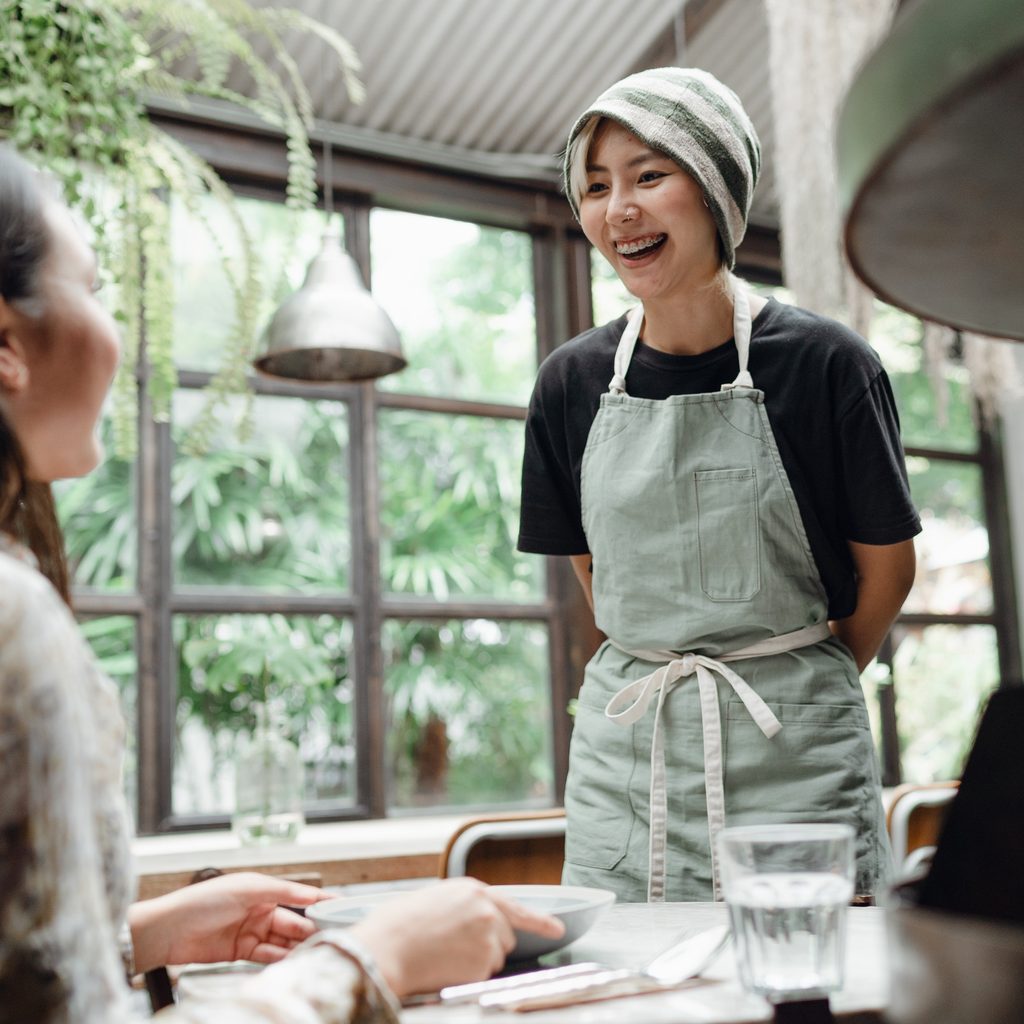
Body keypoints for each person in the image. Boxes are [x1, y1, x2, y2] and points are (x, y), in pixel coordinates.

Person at [0, 142, 563, 1023]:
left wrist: (149, 931)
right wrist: (366, 960)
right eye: (97, 290)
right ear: (6, 341)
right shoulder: (12, 616)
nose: (120, 334)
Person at [518, 67, 920, 903]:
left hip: (794, 749)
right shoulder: (570, 382)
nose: (616, 207)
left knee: (808, 982)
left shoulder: (826, 363)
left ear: (714, 191)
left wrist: (804, 681)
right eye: (594, 186)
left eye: (647, 175)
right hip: (631, 758)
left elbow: (887, 565)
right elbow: (598, 574)